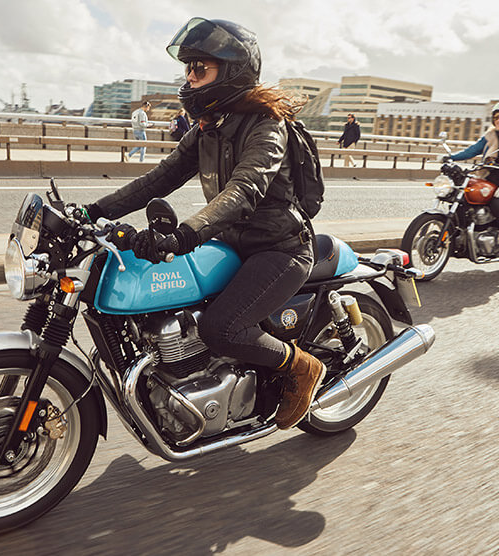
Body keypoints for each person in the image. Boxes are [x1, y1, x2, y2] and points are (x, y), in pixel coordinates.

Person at [84, 17, 325, 430]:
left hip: (278, 248)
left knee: (222, 328)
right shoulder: (208, 129)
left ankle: (302, 368)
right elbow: (158, 179)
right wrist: (92, 212)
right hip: (231, 242)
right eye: (188, 70)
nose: (190, 79)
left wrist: (184, 234)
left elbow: (244, 189)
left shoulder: (267, 127)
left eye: (201, 70)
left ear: (231, 73)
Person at [448, 100, 499, 262]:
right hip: (490, 177)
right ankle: (463, 235)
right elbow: (472, 150)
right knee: (464, 196)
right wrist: (450, 157)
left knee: (496, 203)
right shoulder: (490, 135)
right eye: (496, 117)